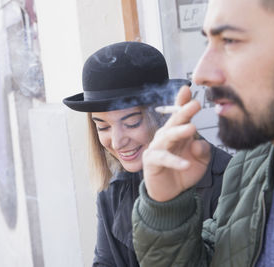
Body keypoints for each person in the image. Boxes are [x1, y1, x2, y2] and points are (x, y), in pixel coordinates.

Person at [132, 0, 274, 266]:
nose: (200, 74)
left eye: (229, 41)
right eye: (208, 42)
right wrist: (167, 208)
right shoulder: (246, 169)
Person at [63, 41, 231, 267]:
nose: (117, 141)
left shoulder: (229, 181)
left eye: (131, 123)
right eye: (102, 127)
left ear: (164, 114)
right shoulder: (112, 192)